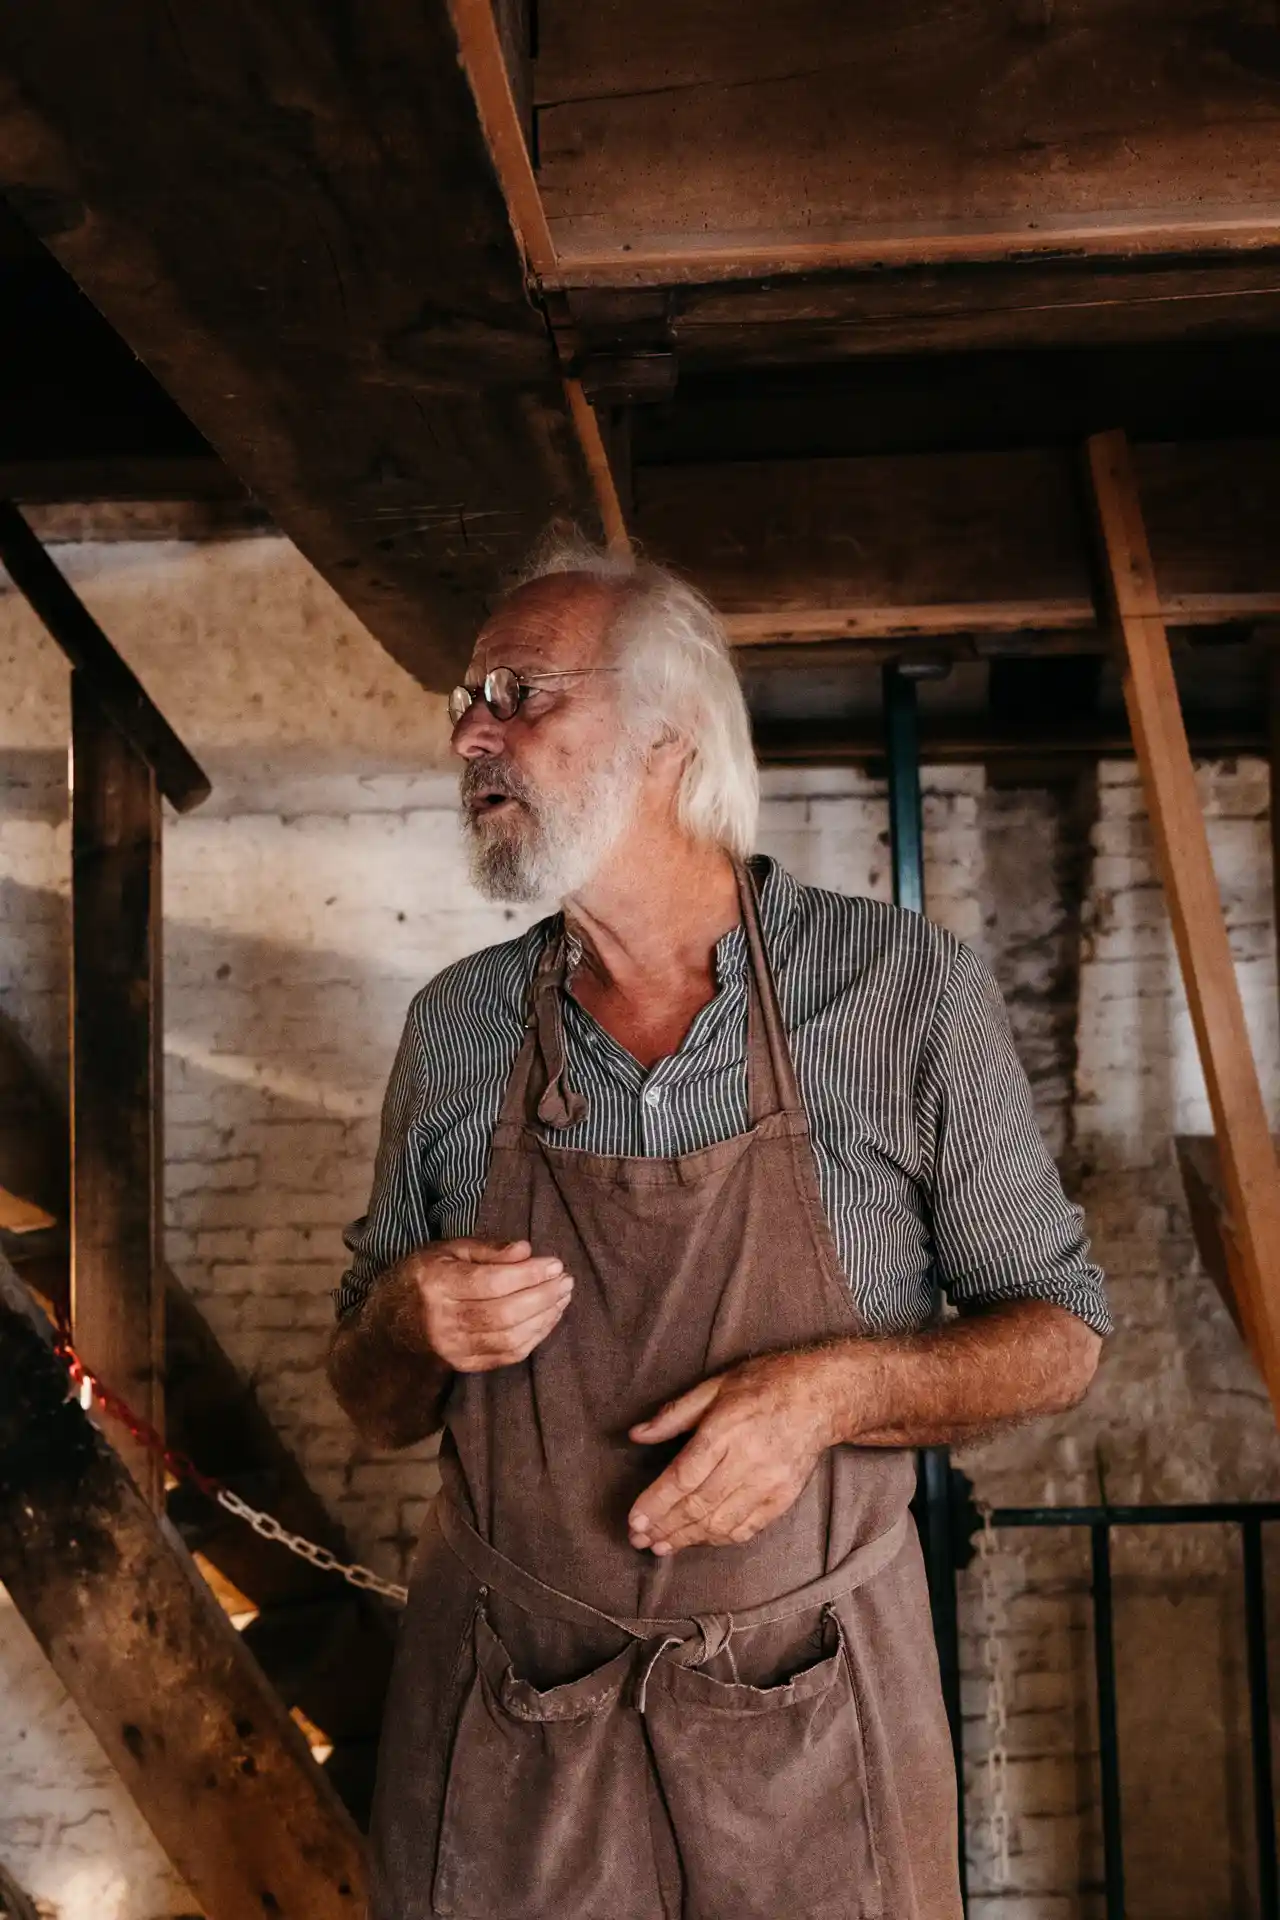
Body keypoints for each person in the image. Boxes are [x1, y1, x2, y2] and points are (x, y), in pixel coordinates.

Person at [328, 535, 1108, 1920]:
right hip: (515, 1716)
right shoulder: (455, 1030)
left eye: (520, 692)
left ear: (670, 736)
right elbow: (373, 1402)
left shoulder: (899, 993)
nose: (468, 732)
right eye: (467, 697)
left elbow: (1061, 1341)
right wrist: (407, 1317)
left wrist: (834, 1393)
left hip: (808, 1723)